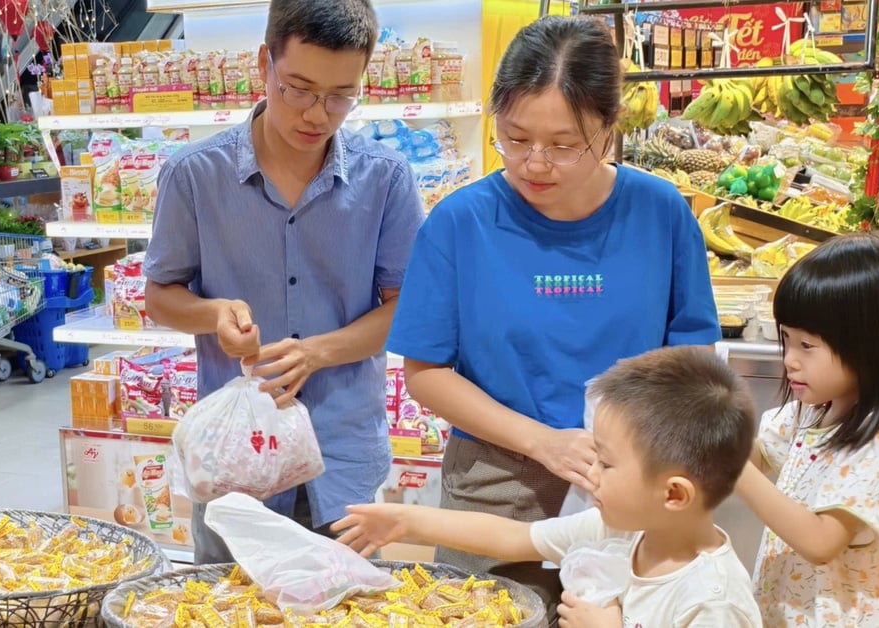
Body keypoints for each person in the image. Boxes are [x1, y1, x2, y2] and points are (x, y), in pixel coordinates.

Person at [384, 14, 720, 613]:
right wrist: (545, 444)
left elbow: (692, 358)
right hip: (496, 486)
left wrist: (636, 455)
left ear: (610, 127)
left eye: (565, 145)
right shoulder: (460, 223)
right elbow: (426, 373)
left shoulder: (661, 212)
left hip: (636, 489)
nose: (535, 162)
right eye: (514, 138)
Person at [143, 0, 425, 565]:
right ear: (263, 66)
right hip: (235, 458)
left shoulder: (387, 179)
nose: (318, 114)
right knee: (224, 608)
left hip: (341, 451)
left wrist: (317, 353)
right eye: (298, 87)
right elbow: (159, 296)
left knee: (340, 608)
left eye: (341, 95)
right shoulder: (194, 175)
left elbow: (408, 309)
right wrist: (213, 314)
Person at [335, 346, 762, 628]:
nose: (591, 472)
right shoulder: (622, 530)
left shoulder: (713, 602)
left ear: (673, 494)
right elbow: (513, 537)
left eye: (607, 463)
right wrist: (406, 520)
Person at [734, 233, 879, 626]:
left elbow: (821, 541)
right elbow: (760, 452)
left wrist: (731, 469)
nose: (790, 361)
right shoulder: (811, 409)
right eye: (787, 340)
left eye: (807, 345)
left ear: (872, 346)